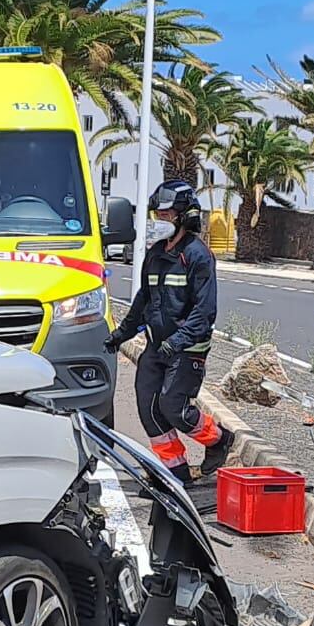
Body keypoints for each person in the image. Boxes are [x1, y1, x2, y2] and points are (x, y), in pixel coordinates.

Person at [108, 179, 227, 472]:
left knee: (174, 408)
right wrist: (120, 335)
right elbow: (143, 300)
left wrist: (177, 341)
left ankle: (219, 441)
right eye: (157, 215)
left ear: (185, 216)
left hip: (187, 349)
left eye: (166, 214)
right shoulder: (157, 252)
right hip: (156, 345)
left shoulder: (198, 255)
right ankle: (175, 471)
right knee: (149, 410)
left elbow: (205, 311)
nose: (159, 220)